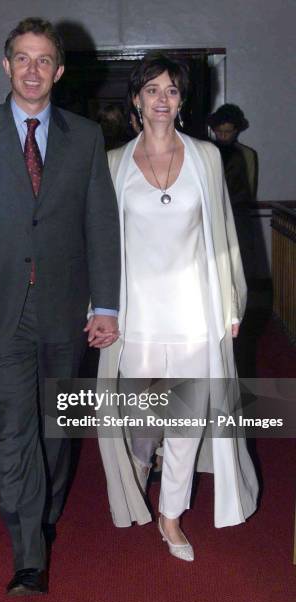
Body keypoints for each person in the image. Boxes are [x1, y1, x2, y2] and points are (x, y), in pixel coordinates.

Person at [0, 17, 120, 596]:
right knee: (15, 431)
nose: (32, 70)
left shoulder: (86, 137)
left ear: (59, 71)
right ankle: (28, 552)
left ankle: (45, 508)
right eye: (22, 58)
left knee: (58, 429)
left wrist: (106, 305)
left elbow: (100, 227)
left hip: (66, 310)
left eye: (44, 60)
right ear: (6, 65)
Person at [97, 52, 258, 562]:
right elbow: (99, 244)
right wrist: (95, 308)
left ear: (182, 100)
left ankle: (170, 516)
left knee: (187, 420)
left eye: (171, 90)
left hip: (194, 312)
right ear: (137, 101)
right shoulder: (114, 163)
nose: (161, 99)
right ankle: (137, 477)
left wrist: (231, 302)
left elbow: (226, 238)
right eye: (152, 90)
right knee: (137, 419)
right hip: (135, 314)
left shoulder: (206, 157)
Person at [208, 103, 258, 280]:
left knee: (239, 267)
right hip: (213, 215)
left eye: (227, 132)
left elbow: (249, 189)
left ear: (236, 131)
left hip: (238, 216)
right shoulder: (208, 152)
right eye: (219, 131)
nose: (222, 136)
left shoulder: (246, 155)